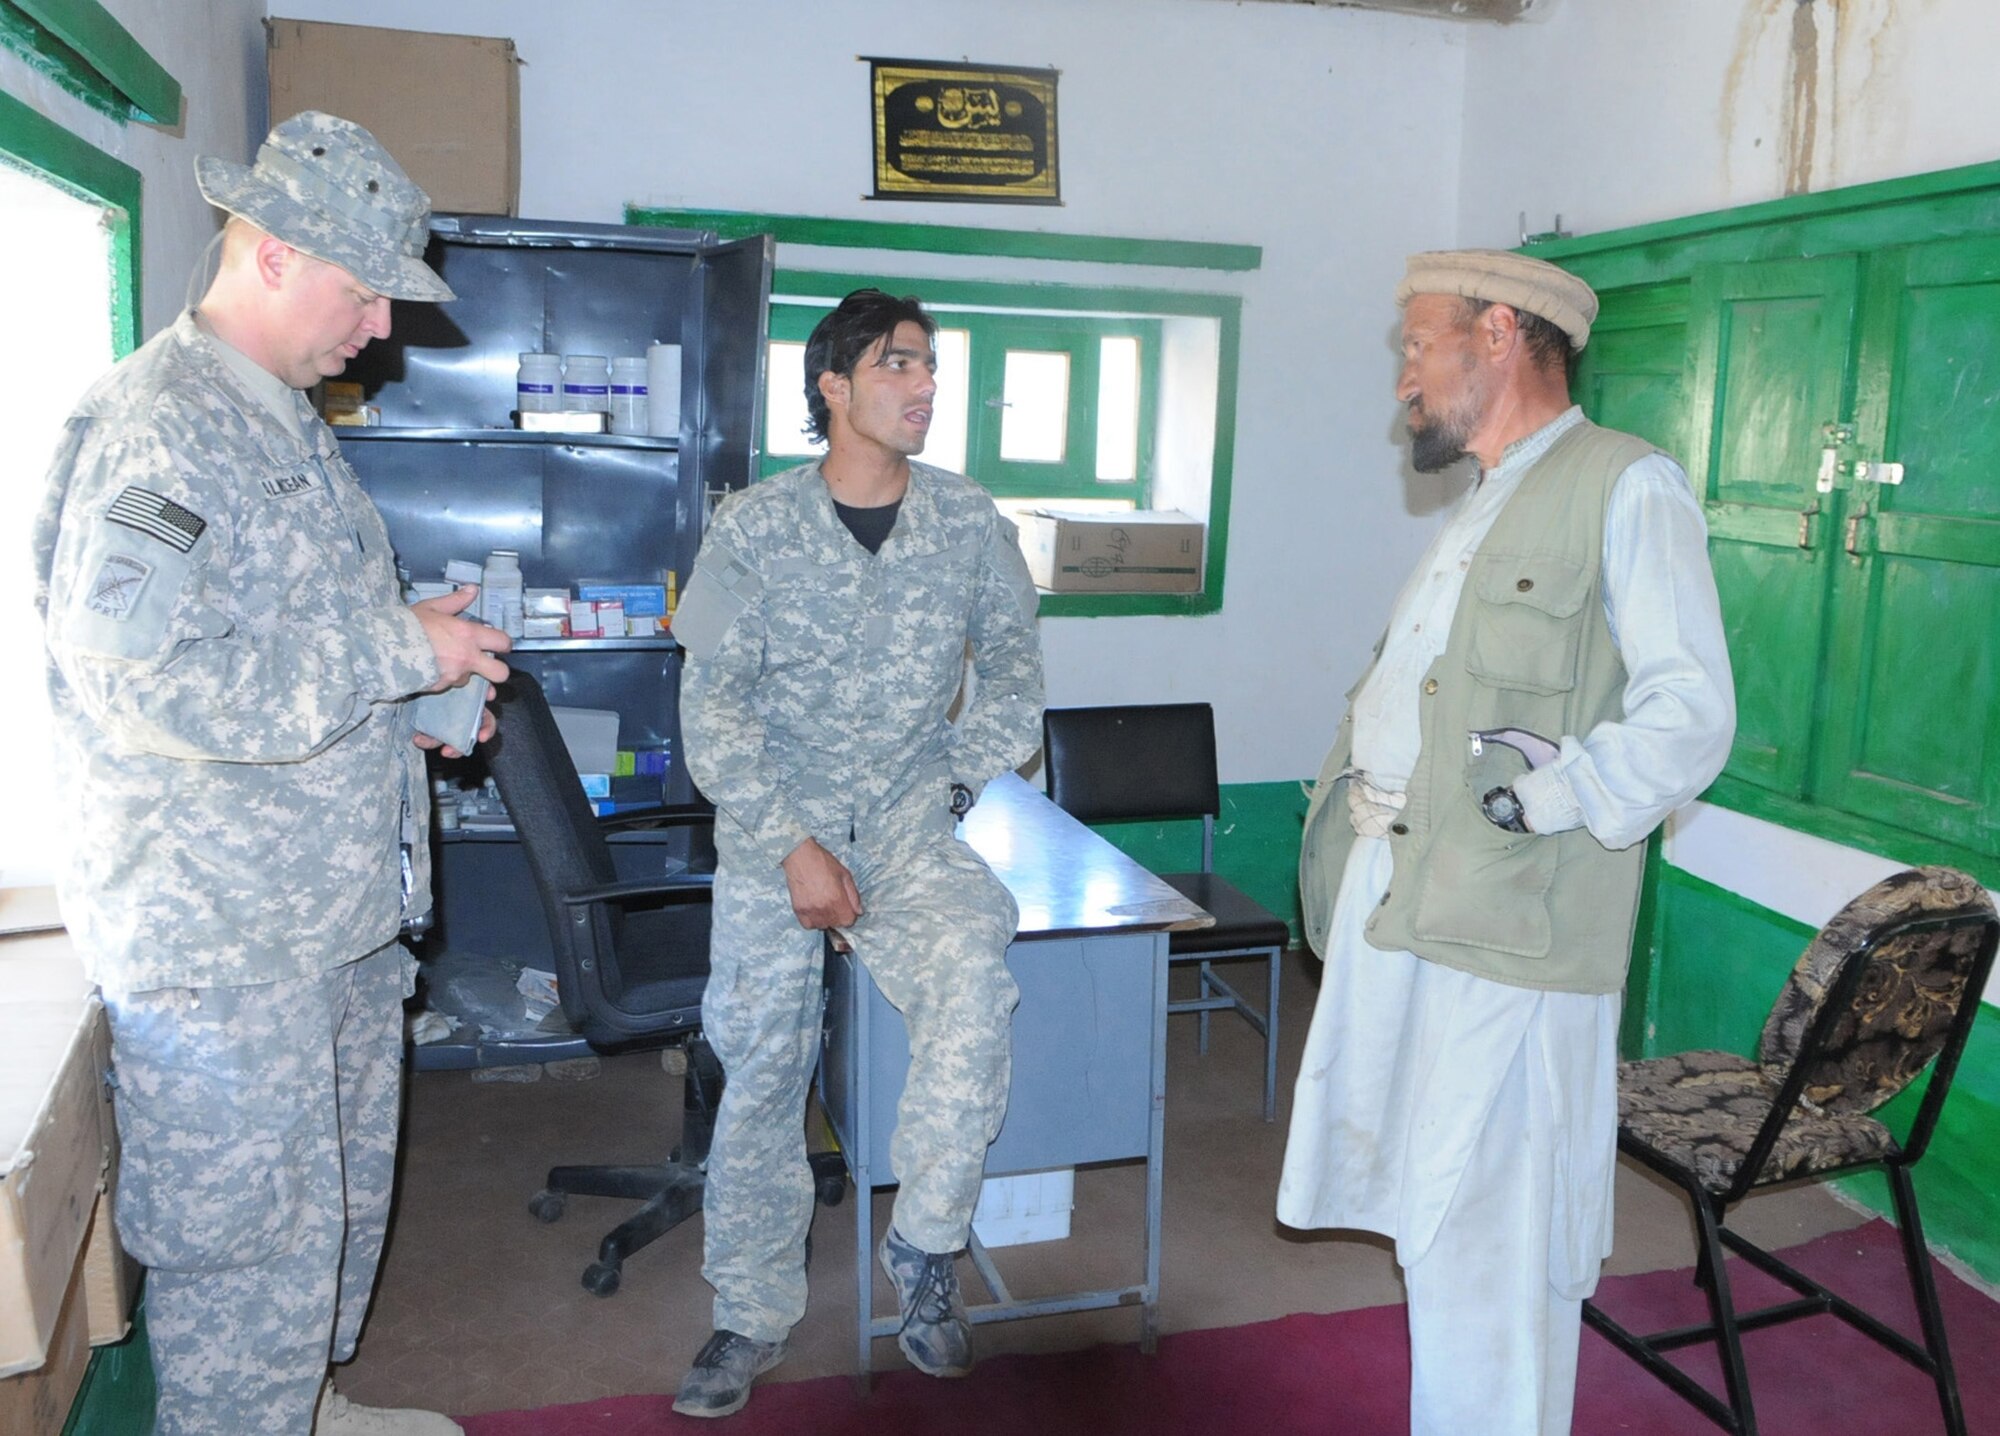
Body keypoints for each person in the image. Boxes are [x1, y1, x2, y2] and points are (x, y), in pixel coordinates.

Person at [33, 112, 510, 1436]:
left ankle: (302, 1406)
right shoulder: (162, 432)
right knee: (248, 1252)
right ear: (280, 253)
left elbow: (282, 651)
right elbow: (142, 680)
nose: (381, 328)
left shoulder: (280, 419)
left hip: (326, 923)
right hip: (228, 948)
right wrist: (387, 650)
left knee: (329, 1219)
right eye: (366, 292)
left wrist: (407, 699)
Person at [1278, 250, 1736, 1436]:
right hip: (1410, 894)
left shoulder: (1623, 485)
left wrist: (1541, 799)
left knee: (1488, 1224)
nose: (1403, 382)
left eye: (1416, 346)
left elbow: (1690, 713)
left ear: (1495, 333)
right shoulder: (1484, 498)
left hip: (1510, 913)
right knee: (1428, 1214)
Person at [670, 288, 1044, 1418]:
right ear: (831, 386)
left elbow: (1016, 684)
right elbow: (711, 709)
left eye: (930, 367)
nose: (924, 385)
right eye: (896, 365)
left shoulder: (970, 523)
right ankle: (749, 1307)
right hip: (772, 833)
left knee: (976, 986)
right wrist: (789, 843)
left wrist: (952, 786)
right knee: (763, 1074)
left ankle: (924, 1251)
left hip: (904, 825)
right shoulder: (751, 529)